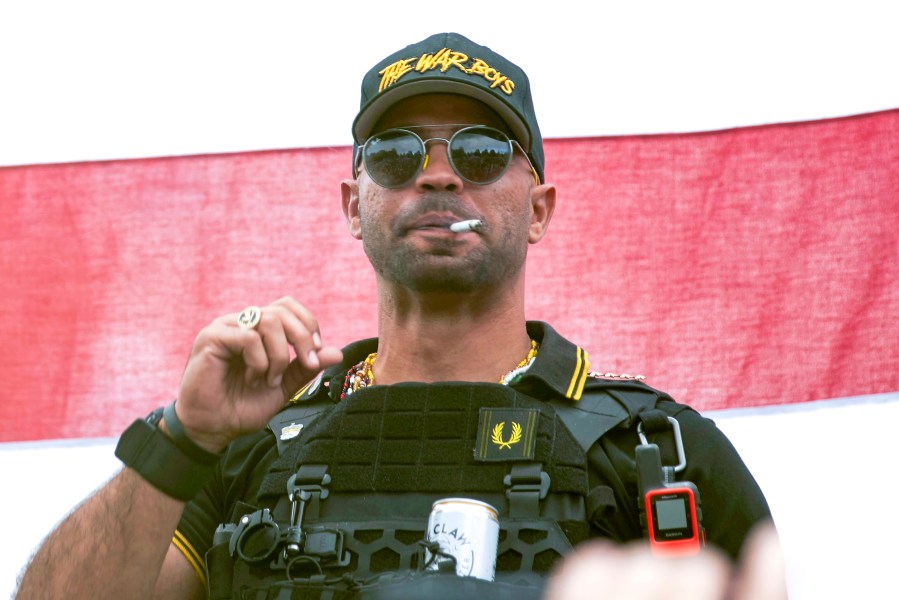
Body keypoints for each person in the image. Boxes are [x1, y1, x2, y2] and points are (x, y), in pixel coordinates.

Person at [15, 32, 775, 600]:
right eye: (395, 154)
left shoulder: (658, 451)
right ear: (354, 204)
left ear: (538, 209)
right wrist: (184, 438)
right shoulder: (244, 450)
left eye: (480, 152)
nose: (437, 174)